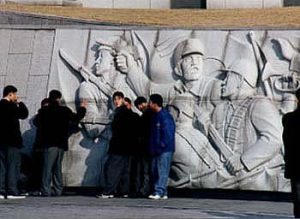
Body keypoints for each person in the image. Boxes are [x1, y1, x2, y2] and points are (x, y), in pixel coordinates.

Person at [207, 58, 287, 190]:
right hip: (222, 173)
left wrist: (243, 160)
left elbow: (274, 139)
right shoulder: (219, 110)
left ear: (239, 80)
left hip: (253, 177)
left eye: (228, 77)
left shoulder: (259, 104)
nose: (223, 82)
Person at [34, 90, 86, 196]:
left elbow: (36, 123)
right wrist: (83, 108)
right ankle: (58, 190)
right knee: (57, 168)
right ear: (58, 98)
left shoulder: (44, 111)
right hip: (61, 144)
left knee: (47, 168)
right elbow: (76, 117)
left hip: (49, 144)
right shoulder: (64, 110)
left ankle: (46, 190)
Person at [98, 91, 134, 198]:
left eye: (118, 99)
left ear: (123, 99)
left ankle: (108, 191)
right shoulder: (127, 112)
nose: (116, 101)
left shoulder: (119, 112)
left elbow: (118, 130)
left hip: (119, 146)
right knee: (124, 170)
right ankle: (124, 191)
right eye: (115, 99)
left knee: (111, 168)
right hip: (126, 147)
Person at [0, 85, 29, 199]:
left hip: (0, 142)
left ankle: (1, 191)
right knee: (13, 166)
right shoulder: (11, 106)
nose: (16, 96)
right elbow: (24, 114)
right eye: (15, 94)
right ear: (10, 94)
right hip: (12, 141)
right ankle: (12, 191)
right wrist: (20, 103)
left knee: (1, 167)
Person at [148, 94, 175, 200]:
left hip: (164, 150)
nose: (149, 104)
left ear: (155, 103)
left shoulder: (165, 116)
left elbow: (168, 134)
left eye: (150, 102)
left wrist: (161, 145)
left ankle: (159, 191)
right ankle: (163, 192)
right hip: (156, 149)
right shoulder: (155, 115)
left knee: (162, 170)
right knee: (156, 170)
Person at [129, 96, 153, 197]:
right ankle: (144, 189)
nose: (139, 108)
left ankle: (144, 190)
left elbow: (143, 132)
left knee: (145, 170)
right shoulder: (149, 114)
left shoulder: (147, 115)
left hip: (145, 147)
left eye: (139, 106)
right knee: (145, 170)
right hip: (146, 147)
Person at [282, 88, 300, 218]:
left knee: (297, 191)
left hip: (295, 161)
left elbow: (286, 141)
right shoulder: (289, 119)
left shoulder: (288, 118)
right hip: (295, 160)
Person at [28, 98, 50, 195]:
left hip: (42, 145)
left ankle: (38, 188)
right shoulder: (40, 117)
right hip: (41, 146)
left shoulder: (39, 117)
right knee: (39, 168)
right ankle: (37, 188)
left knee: (41, 168)